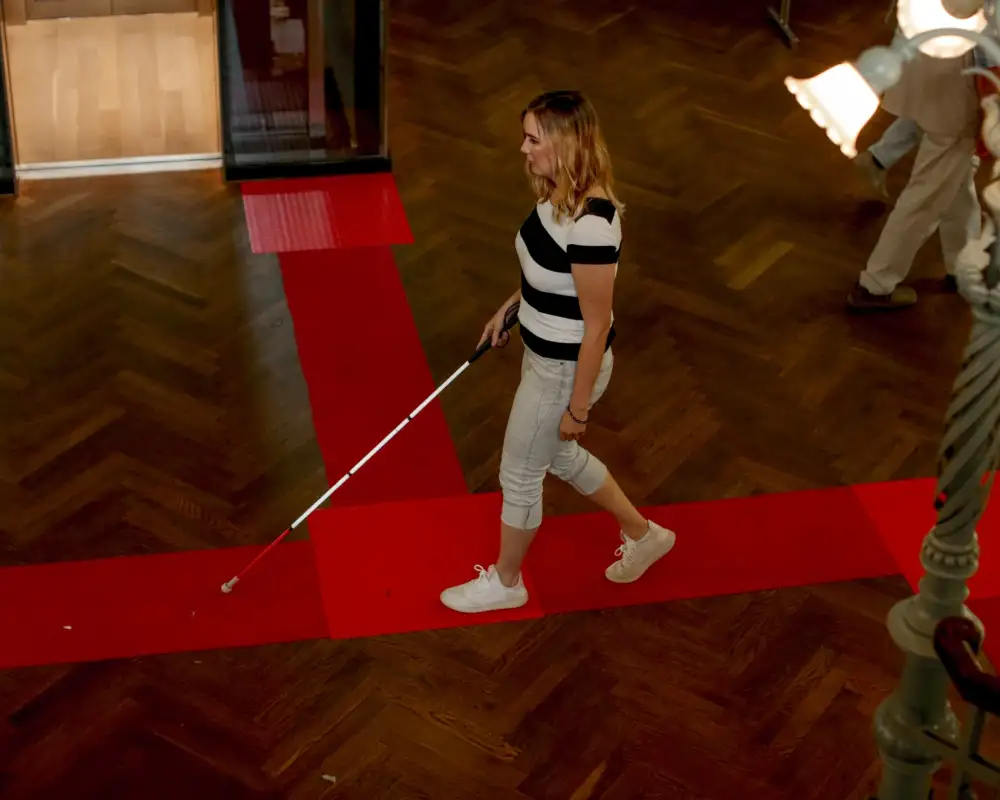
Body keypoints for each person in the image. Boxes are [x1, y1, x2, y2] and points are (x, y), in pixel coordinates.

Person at [440, 90, 676, 614]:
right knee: (559, 457)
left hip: (565, 371)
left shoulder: (592, 225)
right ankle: (645, 535)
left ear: (566, 143)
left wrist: (578, 408)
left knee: (520, 474)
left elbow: (596, 327)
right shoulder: (554, 194)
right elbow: (543, 275)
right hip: (543, 353)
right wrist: (511, 309)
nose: (523, 149)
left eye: (532, 139)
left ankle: (506, 583)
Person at [849, 37, 985, 311]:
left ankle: (963, 265)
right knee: (928, 194)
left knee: (953, 177)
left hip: (930, 58)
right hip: (958, 79)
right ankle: (875, 285)